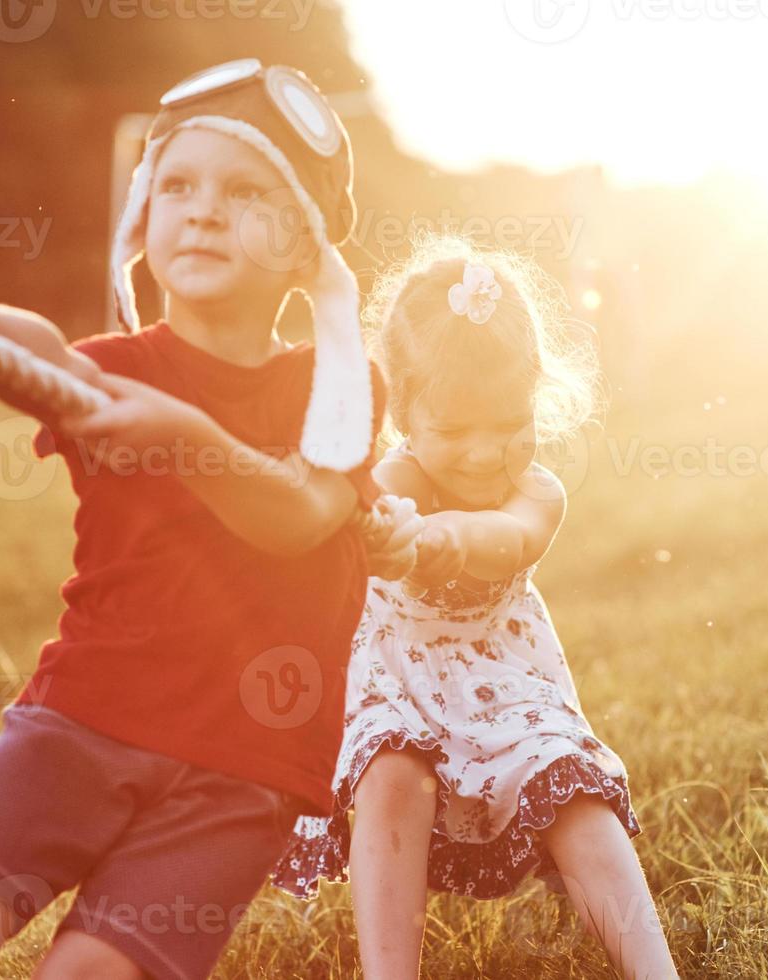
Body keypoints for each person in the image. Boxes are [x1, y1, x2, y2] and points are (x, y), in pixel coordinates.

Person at [0, 59, 391, 980]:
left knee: (90, 976)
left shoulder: (338, 391)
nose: (201, 210)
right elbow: (42, 354)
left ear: (307, 240)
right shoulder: (118, 373)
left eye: (244, 192)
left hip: (241, 768)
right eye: (178, 187)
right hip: (83, 722)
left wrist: (187, 439)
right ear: (143, 219)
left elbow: (304, 515)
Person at [271, 235, 680, 979]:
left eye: (509, 423)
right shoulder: (395, 477)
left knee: (574, 791)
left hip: (504, 675)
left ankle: (655, 969)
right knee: (391, 777)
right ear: (401, 413)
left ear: (536, 395)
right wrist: (376, 530)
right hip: (397, 672)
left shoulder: (538, 492)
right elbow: (359, 514)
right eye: (455, 431)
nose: (487, 453)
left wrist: (437, 540)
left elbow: (510, 537)